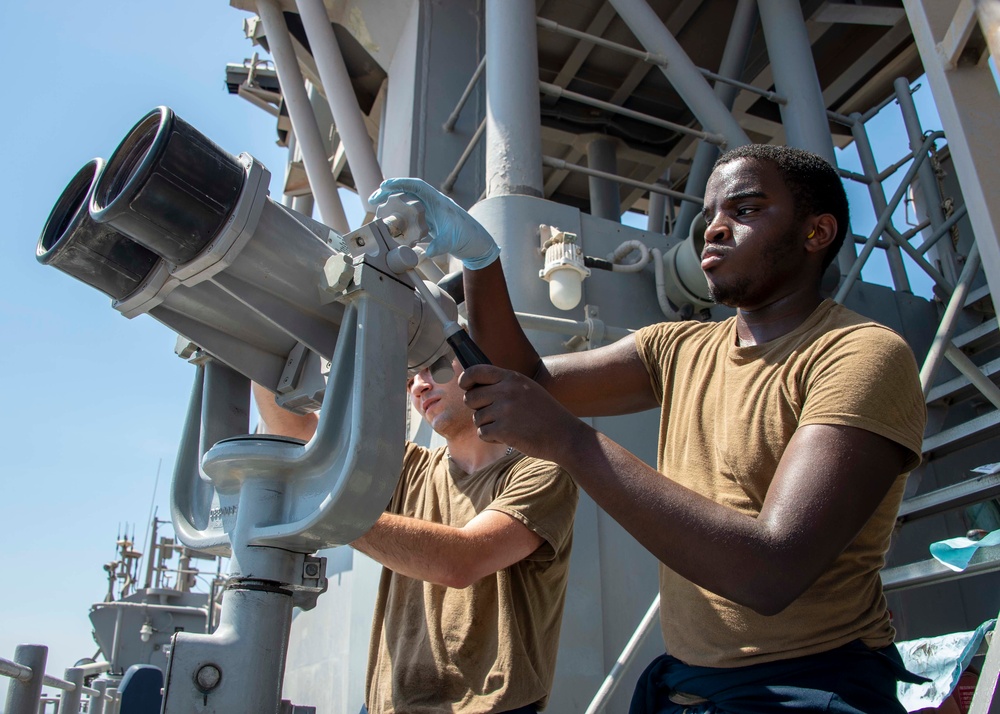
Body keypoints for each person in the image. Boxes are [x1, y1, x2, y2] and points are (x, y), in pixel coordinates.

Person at [369, 143, 928, 713]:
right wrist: (482, 259)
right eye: (709, 215)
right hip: (688, 684)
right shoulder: (677, 347)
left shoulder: (861, 356)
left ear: (817, 233)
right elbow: (527, 375)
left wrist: (570, 440)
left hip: (811, 683)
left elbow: (771, 571)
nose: (712, 230)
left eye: (746, 210)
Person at [253, 360, 578, 714]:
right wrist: (264, 343)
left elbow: (461, 560)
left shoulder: (544, 472)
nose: (419, 387)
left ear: (480, 368)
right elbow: (296, 428)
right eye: (409, 381)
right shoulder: (408, 468)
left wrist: (328, 512)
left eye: (433, 367)